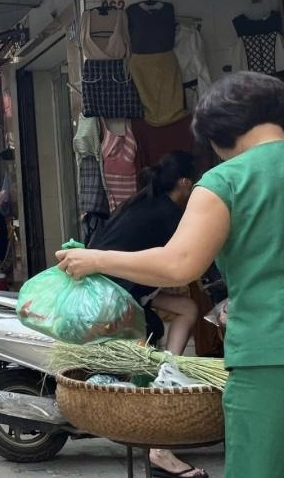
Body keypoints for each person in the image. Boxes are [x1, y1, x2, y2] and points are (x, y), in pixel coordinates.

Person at [57, 72, 284, 478]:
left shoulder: (227, 180)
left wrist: (96, 259)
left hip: (268, 354)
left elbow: (180, 263)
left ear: (219, 133)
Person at [86, 151, 206, 478]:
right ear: (185, 183)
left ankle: (171, 367)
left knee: (187, 308)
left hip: (117, 288)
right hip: (116, 299)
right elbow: (188, 260)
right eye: (196, 183)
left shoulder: (143, 202)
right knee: (144, 369)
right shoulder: (169, 213)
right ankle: (159, 450)